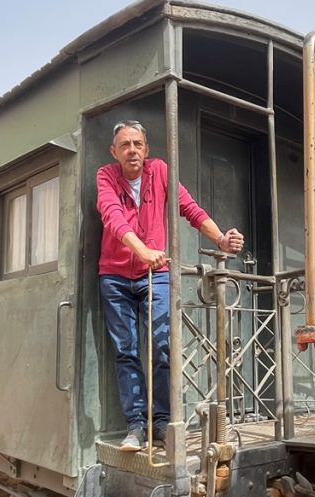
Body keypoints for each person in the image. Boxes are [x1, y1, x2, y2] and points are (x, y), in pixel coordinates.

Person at [97, 120, 245, 452]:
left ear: (146, 149)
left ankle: (161, 423)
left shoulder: (160, 171)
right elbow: (111, 215)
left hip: (157, 275)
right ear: (114, 152)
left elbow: (189, 208)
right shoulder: (106, 176)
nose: (132, 150)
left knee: (161, 346)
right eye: (125, 145)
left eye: (137, 144)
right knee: (127, 352)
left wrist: (221, 239)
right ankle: (136, 426)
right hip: (116, 276)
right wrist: (142, 250)